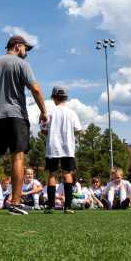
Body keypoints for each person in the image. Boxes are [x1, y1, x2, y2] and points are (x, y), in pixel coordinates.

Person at [0, 35, 49, 215]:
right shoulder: (21, 64)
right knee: (17, 158)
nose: (26, 52)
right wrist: (43, 111)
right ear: (17, 46)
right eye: (26, 48)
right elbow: (36, 89)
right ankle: (15, 203)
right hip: (17, 117)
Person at [41, 85, 83, 214]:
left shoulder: (49, 112)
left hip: (53, 147)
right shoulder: (71, 113)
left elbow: (44, 130)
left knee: (52, 174)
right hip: (68, 148)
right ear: (65, 97)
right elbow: (78, 130)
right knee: (67, 174)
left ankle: (51, 206)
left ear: (53, 97)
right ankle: (68, 207)